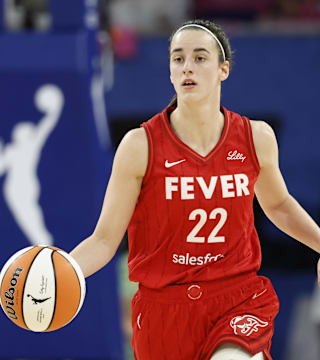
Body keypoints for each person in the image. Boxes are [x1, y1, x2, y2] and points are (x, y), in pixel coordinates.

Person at [70, 19, 320, 360]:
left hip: (238, 299)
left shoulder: (255, 137)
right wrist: (62, 273)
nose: (187, 66)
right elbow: (104, 241)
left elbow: (278, 206)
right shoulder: (139, 146)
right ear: (171, 72)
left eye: (200, 58)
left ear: (223, 70)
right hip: (163, 310)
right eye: (178, 59)